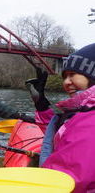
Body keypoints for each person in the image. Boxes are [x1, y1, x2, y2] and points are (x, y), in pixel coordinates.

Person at [25, 43, 95, 193]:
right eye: (64, 76)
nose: (66, 82)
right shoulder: (83, 111)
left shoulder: (90, 120)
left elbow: (69, 178)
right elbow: (65, 133)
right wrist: (42, 105)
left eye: (72, 75)